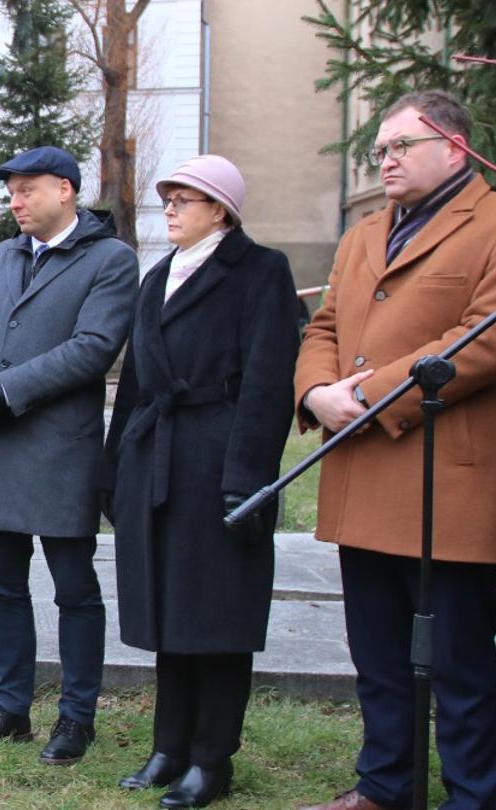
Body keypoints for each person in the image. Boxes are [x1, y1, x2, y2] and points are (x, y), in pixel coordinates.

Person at [292, 90, 496, 810]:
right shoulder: (363, 235)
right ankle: (384, 785)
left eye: (400, 147)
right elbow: (323, 328)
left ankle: (471, 797)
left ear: (456, 148)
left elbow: (489, 342)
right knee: (376, 654)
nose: (385, 161)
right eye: (379, 150)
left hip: (447, 480)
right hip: (360, 471)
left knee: (459, 660)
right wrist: (319, 391)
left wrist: (370, 391)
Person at [100, 155, 300, 807]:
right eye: (169, 198)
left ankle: (213, 760)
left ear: (221, 209)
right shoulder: (157, 276)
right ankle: (169, 746)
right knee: (169, 610)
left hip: (216, 462)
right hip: (154, 458)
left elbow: (268, 384)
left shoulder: (260, 271)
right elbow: (134, 384)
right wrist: (114, 472)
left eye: (186, 198)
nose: (172, 208)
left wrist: (247, 479)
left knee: (217, 614)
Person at [0, 146, 138, 763]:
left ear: (66, 190)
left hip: (61, 449)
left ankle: (76, 718)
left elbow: (94, 346)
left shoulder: (110, 259)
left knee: (74, 589)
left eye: (27, 189)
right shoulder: (4, 255)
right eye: (10, 191)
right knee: (2, 585)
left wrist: (9, 390)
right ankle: (11, 709)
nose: (16, 201)